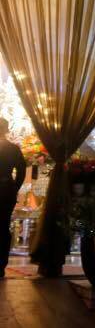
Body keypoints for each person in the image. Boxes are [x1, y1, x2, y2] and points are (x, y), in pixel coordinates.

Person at [0, 118, 26, 279]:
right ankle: (1, 265)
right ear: (7, 129)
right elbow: (21, 171)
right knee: (3, 227)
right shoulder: (13, 148)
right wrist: (14, 187)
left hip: (6, 190)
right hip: (6, 190)